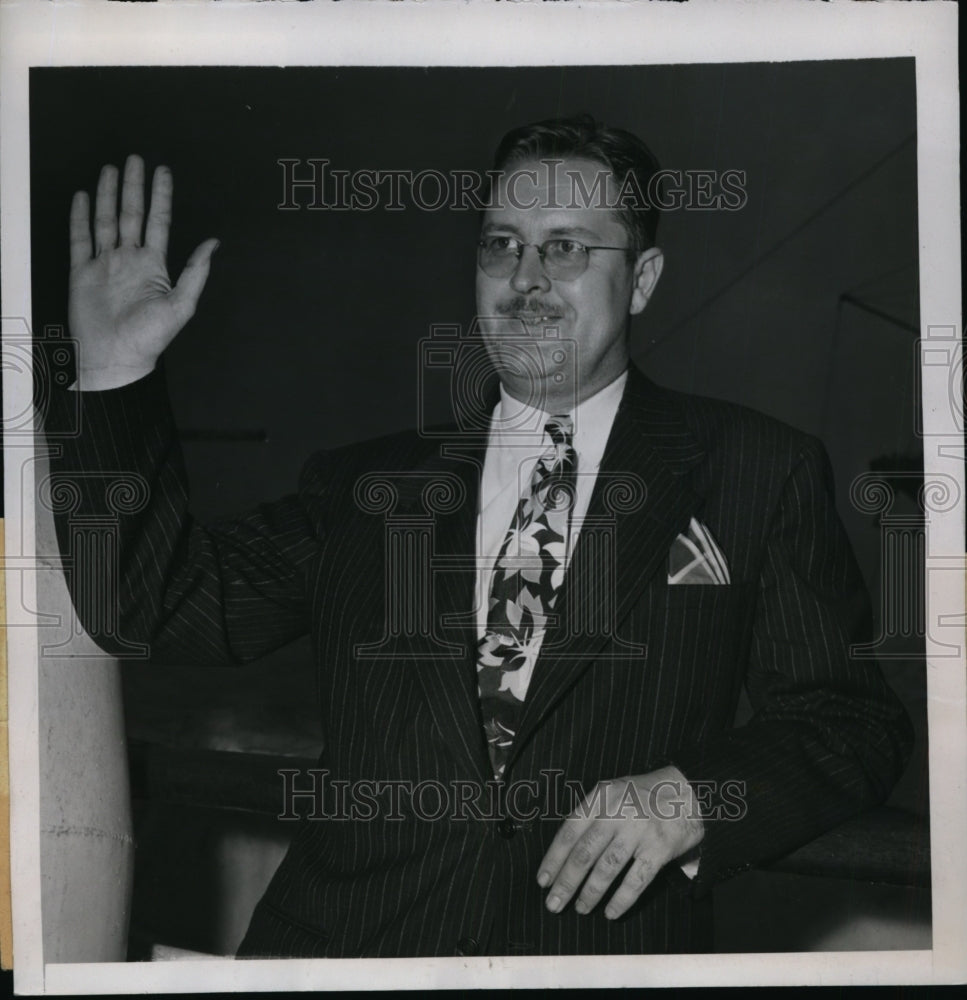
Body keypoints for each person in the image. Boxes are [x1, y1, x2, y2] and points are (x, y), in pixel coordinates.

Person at [46, 115, 912, 957]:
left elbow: (847, 721)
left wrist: (699, 798)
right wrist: (115, 372)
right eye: (501, 244)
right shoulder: (365, 488)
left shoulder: (757, 470)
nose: (524, 277)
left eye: (566, 247)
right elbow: (154, 603)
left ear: (642, 280)